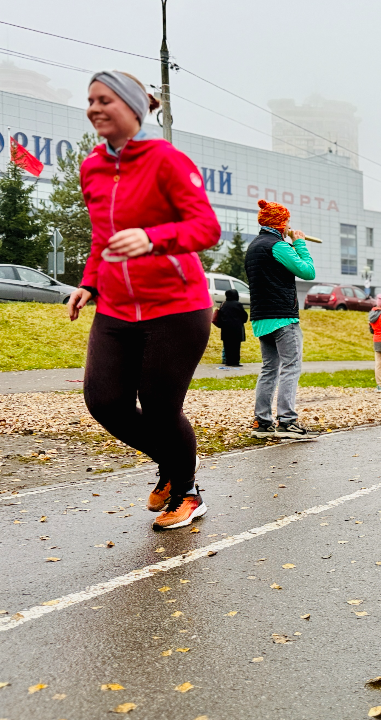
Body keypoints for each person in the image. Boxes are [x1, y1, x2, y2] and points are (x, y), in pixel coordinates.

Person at [67, 70, 220, 530]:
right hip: (115, 305)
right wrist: (89, 283)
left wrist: (154, 239)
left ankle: (188, 491)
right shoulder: (91, 166)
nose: (95, 108)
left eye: (105, 100)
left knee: (158, 408)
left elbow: (206, 229)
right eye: (90, 100)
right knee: (105, 401)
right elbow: (102, 237)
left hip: (176, 305)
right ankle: (173, 466)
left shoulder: (166, 159)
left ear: (133, 107)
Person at [246, 199, 320, 439]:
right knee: (291, 366)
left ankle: (262, 422)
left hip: (261, 317)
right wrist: (299, 243)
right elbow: (308, 271)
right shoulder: (278, 246)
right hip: (283, 317)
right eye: (287, 220)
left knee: (269, 369)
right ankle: (287, 421)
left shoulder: (254, 246)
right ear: (281, 223)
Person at [213, 288, 248, 367]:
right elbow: (244, 316)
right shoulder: (238, 304)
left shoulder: (223, 304)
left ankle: (228, 361)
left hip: (225, 328)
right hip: (236, 328)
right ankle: (235, 361)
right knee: (236, 346)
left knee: (227, 345)